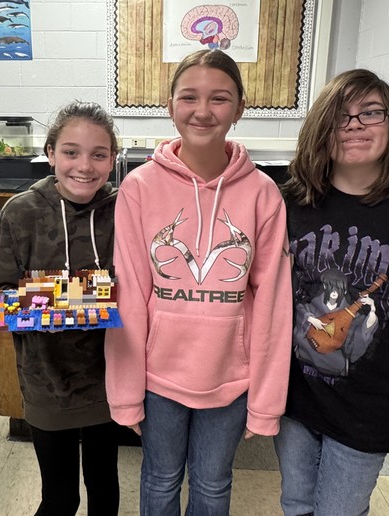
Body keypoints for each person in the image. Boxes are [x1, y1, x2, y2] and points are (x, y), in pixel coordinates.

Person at [104, 49, 293, 515]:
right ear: (170, 106)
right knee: (160, 480)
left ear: (240, 108)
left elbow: (272, 303)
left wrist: (266, 401)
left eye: (220, 98)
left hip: (231, 378)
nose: (203, 111)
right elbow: (129, 291)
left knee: (212, 485)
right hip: (157, 376)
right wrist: (125, 393)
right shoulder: (140, 188)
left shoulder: (263, 193)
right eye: (189, 97)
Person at [274, 69, 389, 516]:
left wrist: (358, 328)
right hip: (293, 393)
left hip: (366, 403)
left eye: (370, 113)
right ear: (322, 128)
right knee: (296, 502)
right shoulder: (288, 200)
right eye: (341, 115)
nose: (354, 124)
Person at [0, 101, 121, 515]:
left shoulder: (125, 209)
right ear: (49, 153)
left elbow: (142, 291)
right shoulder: (21, 212)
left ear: (113, 160)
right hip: (46, 378)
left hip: (110, 376)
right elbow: (2, 304)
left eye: (99, 154)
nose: (85, 165)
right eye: (71, 152)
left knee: (104, 488)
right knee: (60, 496)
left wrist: (58, 299)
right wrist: (95, 298)